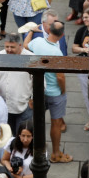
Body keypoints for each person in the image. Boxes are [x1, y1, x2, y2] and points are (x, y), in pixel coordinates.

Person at [28, 19, 70, 163]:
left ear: (49, 30)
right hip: (54, 93)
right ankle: (56, 153)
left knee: (37, 120)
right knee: (56, 123)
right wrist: (63, 91)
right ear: (62, 35)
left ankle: (37, 149)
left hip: (39, 89)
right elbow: (60, 77)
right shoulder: (57, 52)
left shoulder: (38, 42)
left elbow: (27, 45)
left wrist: (32, 31)